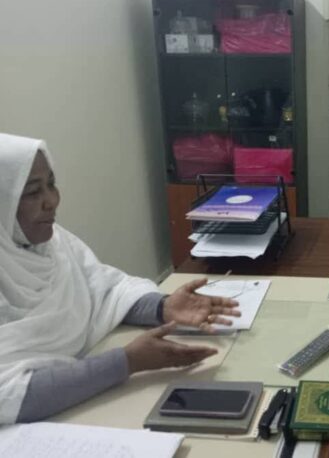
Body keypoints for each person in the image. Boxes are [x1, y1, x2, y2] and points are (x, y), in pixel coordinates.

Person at [0, 133, 241, 424]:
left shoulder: (54, 243)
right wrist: (127, 361)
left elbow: (105, 290)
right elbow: (9, 397)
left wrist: (163, 307)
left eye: (51, 184)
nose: (51, 201)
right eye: (31, 192)